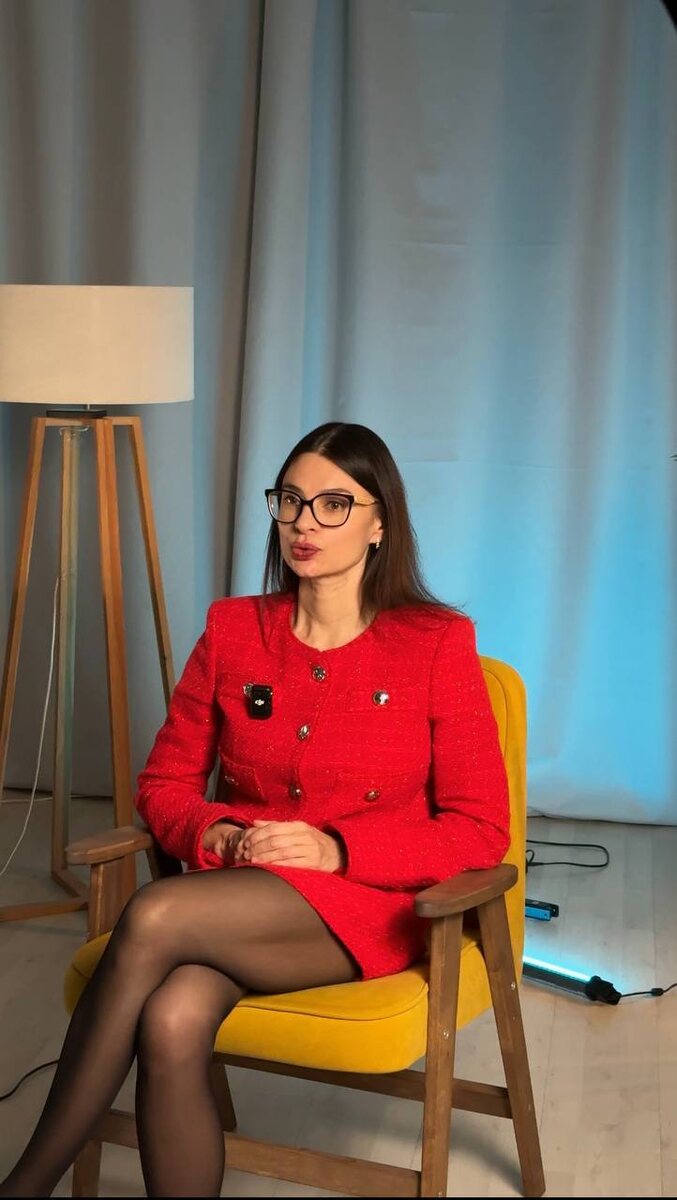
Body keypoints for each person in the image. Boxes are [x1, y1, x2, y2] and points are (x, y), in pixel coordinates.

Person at [0, 421, 510, 1198]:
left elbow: (480, 830)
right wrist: (225, 835)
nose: (305, 522)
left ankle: (24, 1186)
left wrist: (336, 850)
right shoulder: (234, 629)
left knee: (154, 914)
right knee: (171, 1019)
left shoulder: (435, 642)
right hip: (239, 895)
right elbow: (163, 785)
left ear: (379, 523)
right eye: (291, 501)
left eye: (334, 504)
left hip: (369, 905)